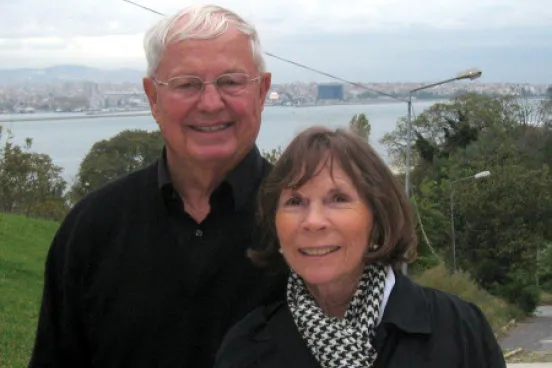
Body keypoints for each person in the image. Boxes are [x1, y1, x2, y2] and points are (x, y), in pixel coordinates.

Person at [29, 4, 286, 368]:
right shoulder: (92, 228)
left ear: (262, 91)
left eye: (231, 81)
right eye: (187, 84)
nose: (211, 103)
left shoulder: (310, 228)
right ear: (153, 97)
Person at [214, 126, 507, 368]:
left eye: (338, 199)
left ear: (377, 219)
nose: (313, 221)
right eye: (295, 202)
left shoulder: (457, 329)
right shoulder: (247, 348)